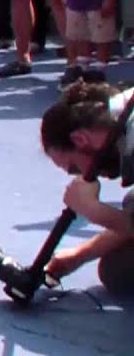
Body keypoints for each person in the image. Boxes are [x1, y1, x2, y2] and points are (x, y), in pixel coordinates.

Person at [39, 82, 134, 296]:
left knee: (121, 270)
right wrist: (80, 255)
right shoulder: (124, 109)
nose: (81, 175)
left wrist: (94, 210)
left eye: (74, 168)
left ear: (80, 139)